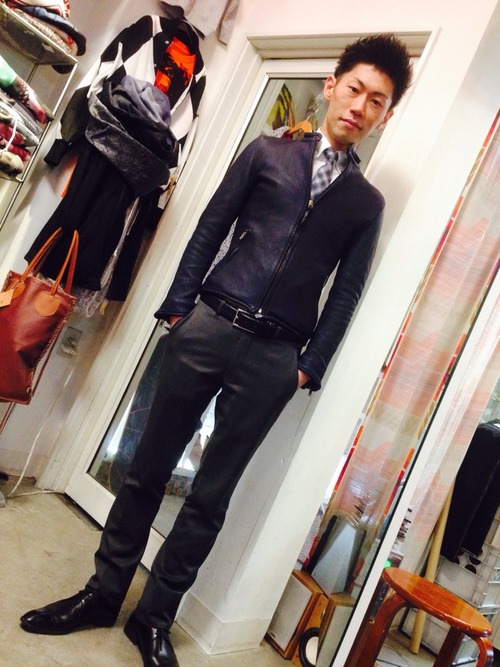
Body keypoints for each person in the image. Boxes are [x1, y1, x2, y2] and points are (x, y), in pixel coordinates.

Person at [20, 34, 412, 667]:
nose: (360, 107)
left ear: (385, 116)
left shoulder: (366, 204)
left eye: (377, 101)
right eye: (355, 89)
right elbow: (211, 226)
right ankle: (102, 593)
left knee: (209, 498)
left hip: (275, 358)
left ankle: (153, 620)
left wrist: (309, 365)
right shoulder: (268, 153)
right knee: (145, 470)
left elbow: (347, 292)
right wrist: (181, 309)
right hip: (208, 325)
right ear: (332, 85)